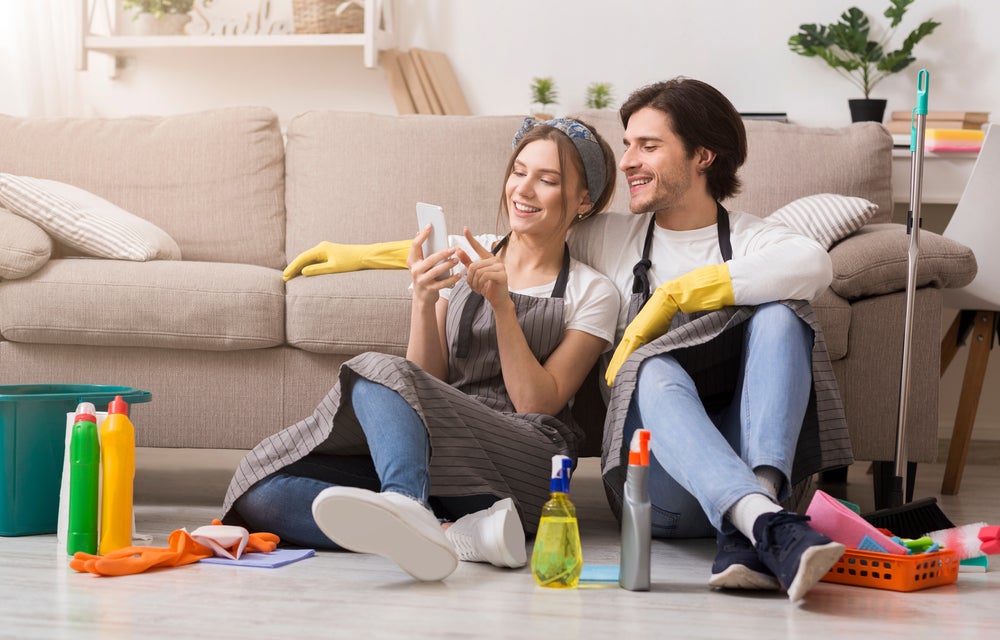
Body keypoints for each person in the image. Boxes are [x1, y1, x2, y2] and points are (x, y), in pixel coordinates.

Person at [219, 117, 621, 582]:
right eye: (518, 172)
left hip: (528, 463)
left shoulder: (593, 291)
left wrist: (503, 308)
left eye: (547, 180)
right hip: (440, 449)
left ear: (583, 200)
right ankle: (444, 532)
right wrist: (423, 298)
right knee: (260, 492)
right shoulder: (464, 254)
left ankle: (407, 506)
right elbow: (421, 378)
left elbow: (538, 402)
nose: (523, 190)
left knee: (373, 367)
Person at [568, 78, 852, 602]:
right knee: (653, 366)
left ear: (703, 155)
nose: (627, 160)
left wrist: (676, 295)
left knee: (782, 315)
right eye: (627, 143)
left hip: (756, 464)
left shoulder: (752, 238)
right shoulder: (605, 236)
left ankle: (752, 518)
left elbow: (815, 264)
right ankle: (770, 525)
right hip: (658, 493)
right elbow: (513, 248)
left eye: (648, 146)